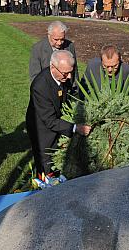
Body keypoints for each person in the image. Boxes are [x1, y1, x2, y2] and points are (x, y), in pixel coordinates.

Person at [26, 50, 91, 178]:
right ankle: (45, 184)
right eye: (65, 73)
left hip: (58, 120)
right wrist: (75, 128)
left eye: (71, 72)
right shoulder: (40, 87)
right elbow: (50, 121)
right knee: (46, 161)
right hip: (42, 129)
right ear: (52, 67)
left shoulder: (64, 74)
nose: (69, 77)